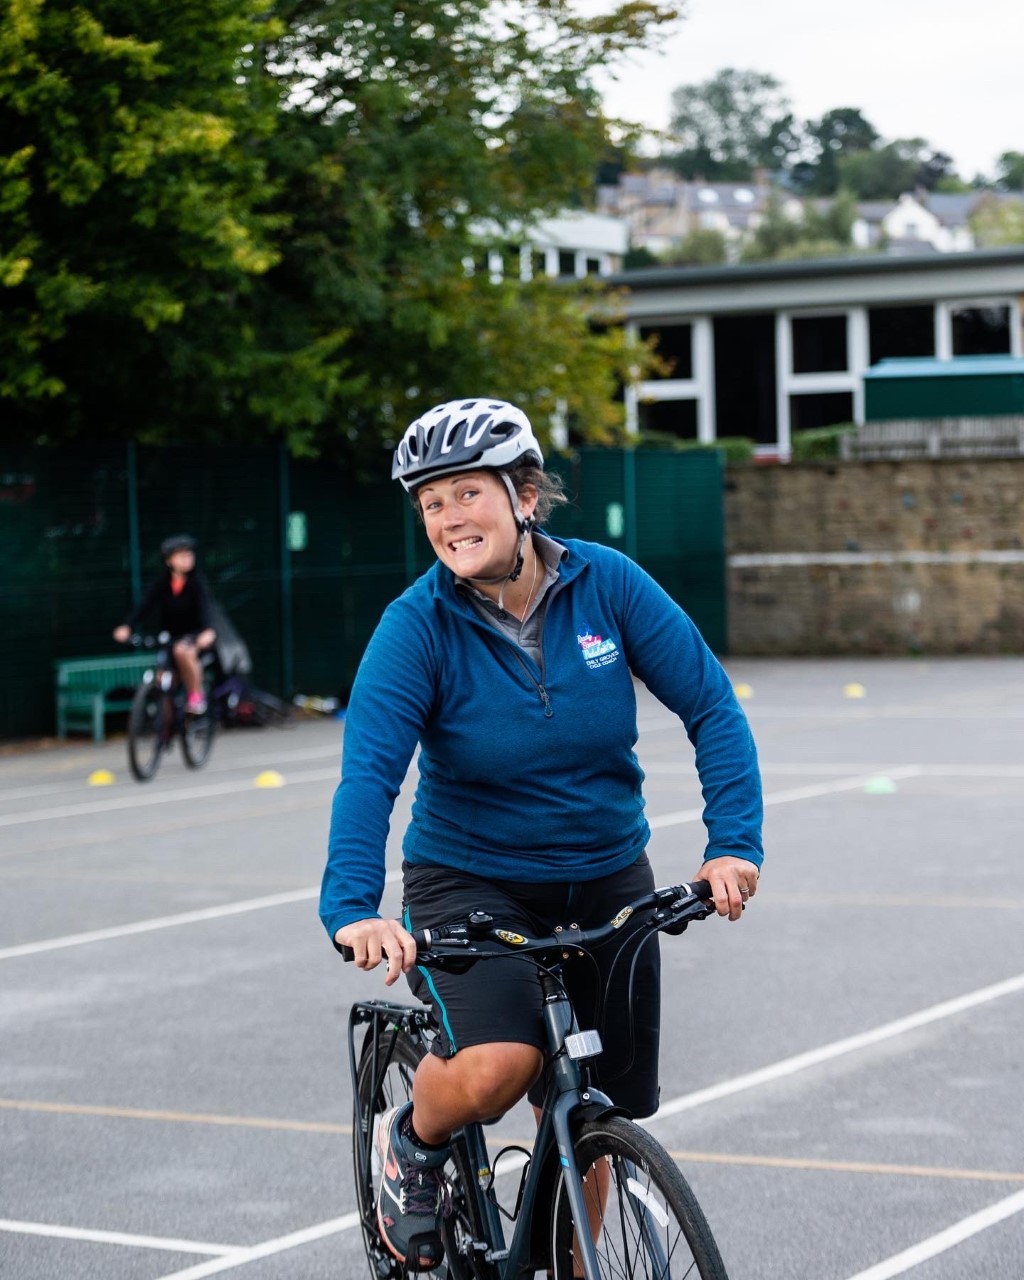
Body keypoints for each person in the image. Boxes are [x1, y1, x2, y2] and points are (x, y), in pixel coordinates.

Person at [320, 398, 763, 1271]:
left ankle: (569, 1255)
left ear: (524, 494)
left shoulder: (609, 585)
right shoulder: (417, 627)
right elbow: (370, 774)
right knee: (500, 1066)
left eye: (465, 494)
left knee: (597, 1104)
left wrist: (733, 844)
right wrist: (353, 907)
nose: (447, 518)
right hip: (471, 879)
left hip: (605, 873)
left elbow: (711, 706)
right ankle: (410, 1141)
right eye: (430, 503)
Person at [113, 534, 217, 715]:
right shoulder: (162, 583)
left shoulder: (196, 583)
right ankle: (164, 735)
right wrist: (127, 626)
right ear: (169, 561)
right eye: (181, 555)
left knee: (182, 651)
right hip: (169, 636)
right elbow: (144, 606)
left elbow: (206, 607)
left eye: (189, 554)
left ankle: (196, 696)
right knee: (164, 683)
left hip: (194, 635)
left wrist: (207, 631)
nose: (187, 559)